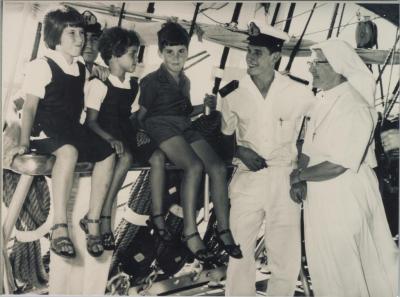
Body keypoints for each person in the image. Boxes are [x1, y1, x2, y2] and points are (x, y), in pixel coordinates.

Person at [289, 39, 399, 296]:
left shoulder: (356, 106)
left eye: (318, 63)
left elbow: (340, 165)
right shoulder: (322, 100)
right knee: (324, 266)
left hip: (346, 196)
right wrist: (300, 179)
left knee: (347, 267)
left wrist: (299, 175)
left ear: (338, 66)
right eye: (311, 62)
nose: (311, 69)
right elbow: (308, 146)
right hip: (320, 194)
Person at [221, 22, 315, 296]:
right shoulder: (232, 92)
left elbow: (311, 136)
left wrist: (301, 175)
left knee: (284, 255)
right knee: (239, 252)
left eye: (257, 52)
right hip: (247, 178)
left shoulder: (298, 92)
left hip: (284, 177)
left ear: (275, 58)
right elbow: (224, 135)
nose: (250, 57)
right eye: (249, 51)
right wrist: (239, 151)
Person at [13, 5, 116, 258]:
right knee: (68, 153)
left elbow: (87, 73)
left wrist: (99, 70)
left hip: (70, 127)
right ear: (55, 36)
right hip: (45, 129)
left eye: (82, 34)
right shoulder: (42, 65)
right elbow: (29, 108)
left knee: (107, 153)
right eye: (72, 34)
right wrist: (25, 143)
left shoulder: (80, 65)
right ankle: (60, 227)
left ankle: (92, 221)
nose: (80, 39)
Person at [138, 21, 242, 262]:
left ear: (187, 51)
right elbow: (141, 117)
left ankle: (223, 229)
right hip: (160, 127)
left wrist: (203, 107)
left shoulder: (185, 81)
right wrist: (147, 142)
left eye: (181, 51)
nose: (176, 57)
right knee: (193, 166)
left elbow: (183, 111)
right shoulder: (151, 81)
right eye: (170, 52)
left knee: (217, 167)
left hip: (183, 125)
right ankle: (189, 231)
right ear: (160, 53)